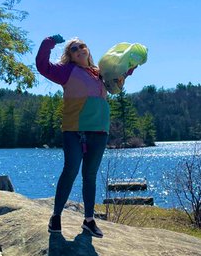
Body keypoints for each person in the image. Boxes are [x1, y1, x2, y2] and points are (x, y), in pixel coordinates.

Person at [36, 34, 136, 238]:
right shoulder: (67, 71)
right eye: (74, 48)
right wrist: (48, 42)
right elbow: (42, 66)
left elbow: (116, 88)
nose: (80, 48)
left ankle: (89, 221)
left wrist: (126, 71)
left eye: (82, 45)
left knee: (90, 175)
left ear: (88, 50)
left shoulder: (99, 73)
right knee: (70, 170)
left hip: (99, 130)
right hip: (75, 129)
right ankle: (56, 216)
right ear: (70, 56)